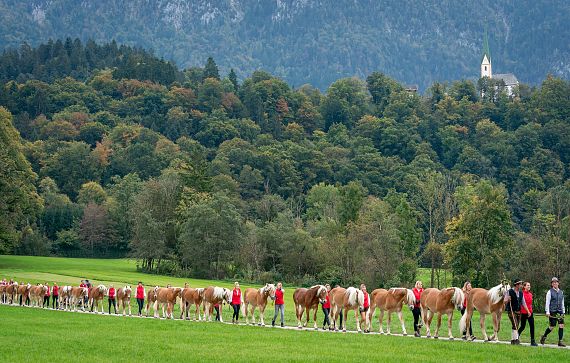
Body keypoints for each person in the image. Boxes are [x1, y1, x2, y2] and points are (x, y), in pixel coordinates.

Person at [540, 277, 565, 347]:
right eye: (553, 282)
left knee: (561, 325)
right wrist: (547, 312)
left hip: (560, 312)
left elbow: (562, 302)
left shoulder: (561, 292)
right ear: (552, 284)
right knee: (552, 327)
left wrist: (563, 311)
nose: (555, 283)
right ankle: (544, 336)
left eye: (556, 282)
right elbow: (547, 302)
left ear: (558, 283)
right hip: (552, 311)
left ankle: (560, 341)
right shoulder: (549, 292)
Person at [505, 279, 527, 345]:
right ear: (516, 285)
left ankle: (512, 340)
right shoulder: (509, 292)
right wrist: (508, 299)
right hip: (511, 311)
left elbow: (523, 303)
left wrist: (528, 311)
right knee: (515, 324)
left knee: (515, 325)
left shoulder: (521, 293)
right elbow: (504, 301)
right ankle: (516, 340)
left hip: (518, 311)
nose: (521, 285)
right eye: (520, 284)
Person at [518, 281, 536, 346]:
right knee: (523, 326)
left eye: (529, 285)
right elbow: (522, 304)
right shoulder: (521, 294)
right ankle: (517, 336)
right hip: (523, 313)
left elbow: (530, 304)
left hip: (530, 313)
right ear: (524, 286)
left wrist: (530, 311)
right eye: (528, 285)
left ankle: (532, 341)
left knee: (532, 326)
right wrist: (526, 311)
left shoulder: (531, 294)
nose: (529, 286)